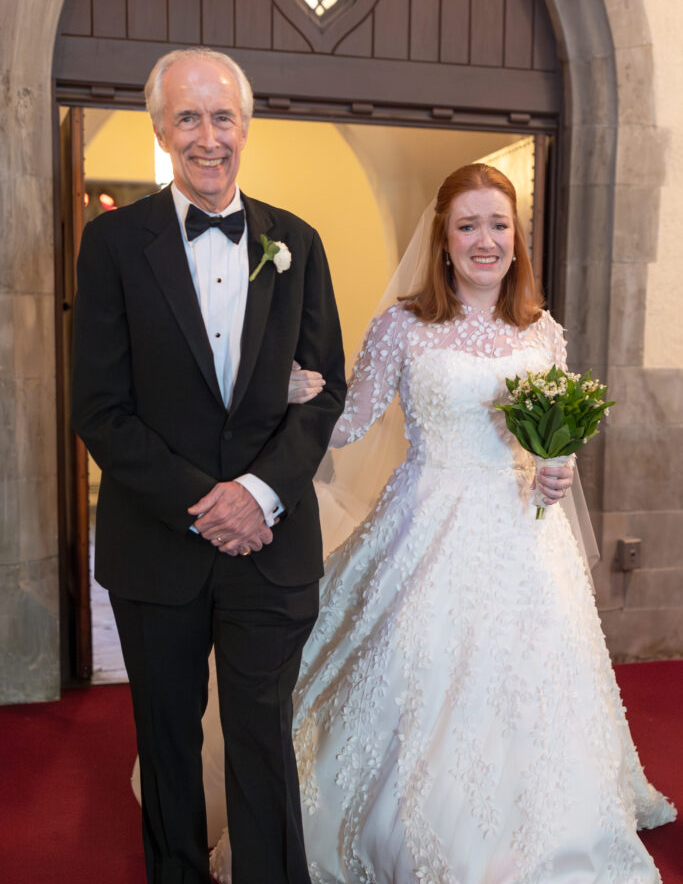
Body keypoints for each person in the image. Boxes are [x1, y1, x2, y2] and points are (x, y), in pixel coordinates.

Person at [209, 163, 675, 883]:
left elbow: (552, 442)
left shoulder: (541, 331)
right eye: (468, 226)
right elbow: (350, 422)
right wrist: (299, 391)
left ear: (516, 239)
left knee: (533, 686)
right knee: (420, 674)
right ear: (444, 240)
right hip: (425, 526)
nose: (484, 240)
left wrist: (558, 467)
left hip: (524, 532)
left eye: (498, 225)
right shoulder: (404, 323)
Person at [71, 47, 346, 884]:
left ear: (246, 126)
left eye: (222, 116)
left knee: (264, 741)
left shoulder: (296, 242)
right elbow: (101, 411)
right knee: (168, 742)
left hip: (271, 545)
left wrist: (258, 495)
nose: (207, 136)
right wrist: (206, 503)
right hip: (157, 549)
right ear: (161, 129)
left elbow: (325, 392)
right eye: (187, 117)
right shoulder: (113, 244)